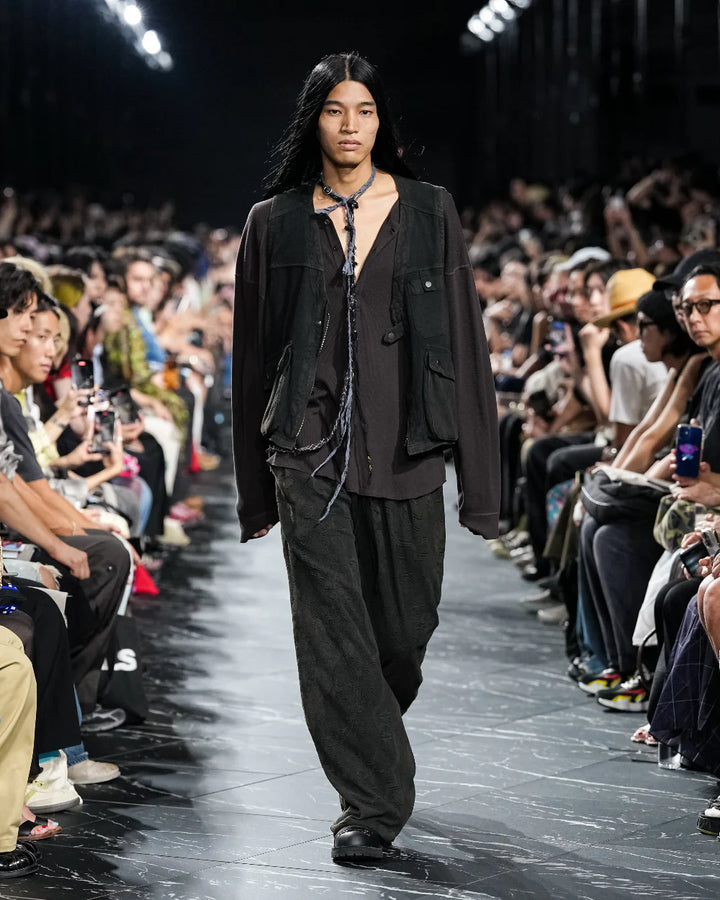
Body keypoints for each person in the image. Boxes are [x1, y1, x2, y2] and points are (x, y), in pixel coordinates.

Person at [232, 52, 499, 862]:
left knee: (406, 628)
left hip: (408, 448)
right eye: (335, 110)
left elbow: (466, 342)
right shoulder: (272, 221)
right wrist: (255, 494)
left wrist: (482, 489)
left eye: (366, 110)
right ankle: (372, 806)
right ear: (313, 120)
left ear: (382, 121)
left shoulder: (429, 210)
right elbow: (251, 360)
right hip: (306, 452)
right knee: (332, 633)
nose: (351, 126)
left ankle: (367, 746)